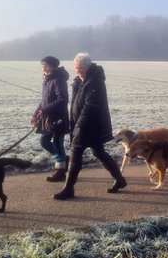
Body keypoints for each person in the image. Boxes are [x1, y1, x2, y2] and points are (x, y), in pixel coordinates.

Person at [53, 52, 127, 199]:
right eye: (75, 67)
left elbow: (90, 107)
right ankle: (120, 180)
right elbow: (75, 104)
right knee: (99, 152)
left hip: (90, 127)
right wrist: (72, 122)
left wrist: (78, 126)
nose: (77, 70)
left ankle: (68, 188)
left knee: (75, 154)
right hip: (83, 126)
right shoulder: (80, 80)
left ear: (88, 66)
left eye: (80, 67)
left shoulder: (95, 81)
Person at [30, 56, 70, 182]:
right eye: (42, 66)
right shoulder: (47, 80)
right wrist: (35, 114)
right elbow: (43, 101)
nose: (44, 68)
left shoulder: (59, 80)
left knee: (58, 144)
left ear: (53, 66)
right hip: (47, 119)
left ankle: (60, 171)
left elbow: (62, 100)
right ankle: (64, 159)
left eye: (46, 65)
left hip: (58, 119)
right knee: (44, 142)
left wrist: (45, 110)